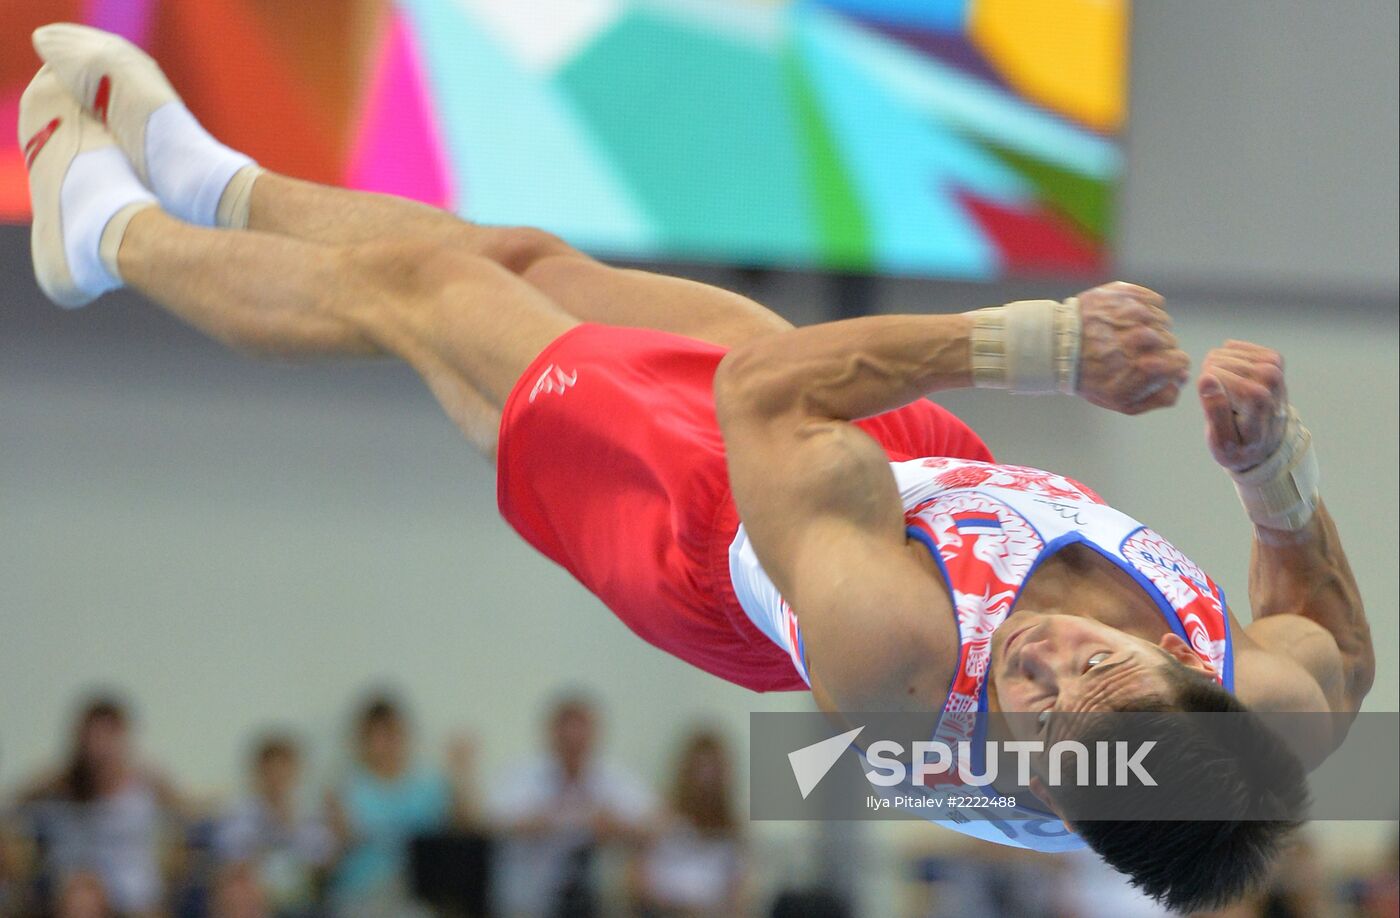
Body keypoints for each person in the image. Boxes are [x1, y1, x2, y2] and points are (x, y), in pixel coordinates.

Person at [18, 24, 1376, 913]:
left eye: (1038, 712)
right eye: (1094, 668)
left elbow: (762, 396)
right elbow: (1341, 650)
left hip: (711, 528)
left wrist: (1037, 340)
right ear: (1204, 685)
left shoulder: (899, 648)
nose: (1042, 664)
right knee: (528, 259)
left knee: (427, 300)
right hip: (924, 477)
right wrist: (1277, 476)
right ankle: (215, 182)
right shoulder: (1271, 714)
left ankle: (108, 237)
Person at [13, 695, 182, 918]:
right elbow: (16, 805)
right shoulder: (60, 787)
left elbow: (187, 821)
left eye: (108, 736)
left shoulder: (146, 787)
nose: (100, 747)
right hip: (74, 896)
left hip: (133, 901)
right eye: (93, 736)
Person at [489, 695, 654, 918]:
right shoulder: (521, 775)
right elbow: (492, 823)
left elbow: (655, 823)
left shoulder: (611, 776)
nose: (574, 744)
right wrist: (544, 823)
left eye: (581, 738)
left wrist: (616, 826)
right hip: (530, 899)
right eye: (567, 739)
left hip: (594, 899)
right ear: (552, 735)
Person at [323, 693, 475, 916]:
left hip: (417, 897)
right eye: (377, 735)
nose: (385, 744)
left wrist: (461, 772)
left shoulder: (430, 786)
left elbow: (466, 828)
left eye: (392, 734)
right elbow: (330, 854)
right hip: (361, 894)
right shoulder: (346, 788)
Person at [214, 734, 334, 917]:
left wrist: (291, 827)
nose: (277, 777)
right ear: (258, 773)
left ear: (295, 771)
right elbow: (231, 860)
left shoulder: (308, 812)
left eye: (284, 768)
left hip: (301, 901)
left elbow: (324, 860)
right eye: (270, 770)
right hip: (257, 902)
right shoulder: (240, 812)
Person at [629, 730, 746, 918]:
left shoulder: (732, 825)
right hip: (663, 911)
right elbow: (636, 876)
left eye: (712, 769)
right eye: (700, 768)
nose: (705, 778)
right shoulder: (662, 815)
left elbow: (740, 887)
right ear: (687, 771)